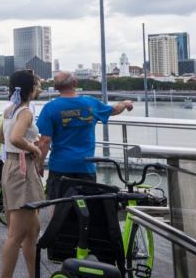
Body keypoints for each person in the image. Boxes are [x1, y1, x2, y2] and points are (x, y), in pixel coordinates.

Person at [37, 71, 134, 199]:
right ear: (75, 83)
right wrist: (125, 103)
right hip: (86, 166)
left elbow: (44, 141)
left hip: (60, 165)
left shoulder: (50, 108)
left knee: (58, 206)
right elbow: (114, 109)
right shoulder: (90, 103)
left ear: (56, 88)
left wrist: (39, 165)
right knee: (87, 208)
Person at [0, 70, 46, 278]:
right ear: (29, 89)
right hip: (22, 171)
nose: (40, 88)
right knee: (17, 234)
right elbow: (15, 138)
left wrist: (22, 146)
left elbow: (0, 139)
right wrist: (34, 149)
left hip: (12, 168)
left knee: (32, 230)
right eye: (37, 85)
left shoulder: (9, 110)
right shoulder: (25, 112)